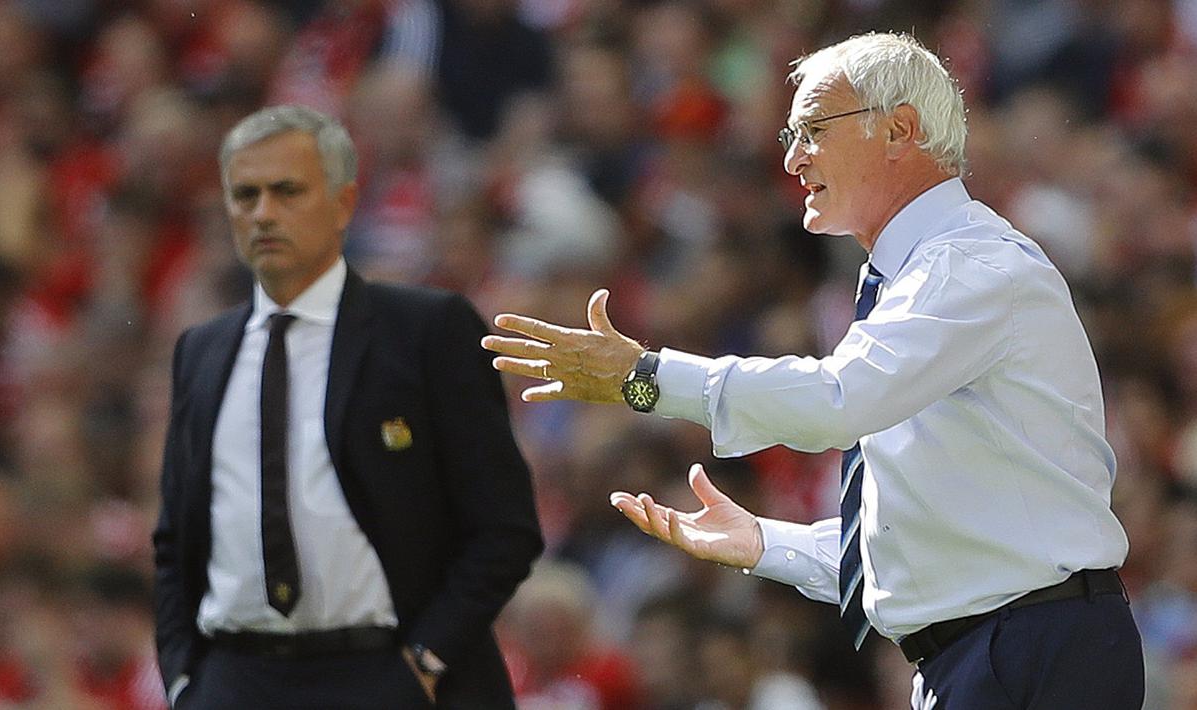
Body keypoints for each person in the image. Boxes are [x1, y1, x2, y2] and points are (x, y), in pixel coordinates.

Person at [483, 32, 1145, 709]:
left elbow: (838, 400)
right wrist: (765, 543)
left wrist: (646, 377)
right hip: (990, 655)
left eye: (812, 131)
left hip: (1031, 650)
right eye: (788, 136)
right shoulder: (915, 281)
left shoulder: (968, 265)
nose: (794, 159)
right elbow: (929, 544)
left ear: (899, 130)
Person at [153, 105, 543, 709]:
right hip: (234, 678)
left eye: (287, 192)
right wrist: (184, 676)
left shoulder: (425, 331)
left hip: (385, 673)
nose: (263, 214)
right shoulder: (200, 352)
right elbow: (176, 540)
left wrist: (427, 657)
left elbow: (505, 526)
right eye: (245, 195)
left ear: (343, 202)